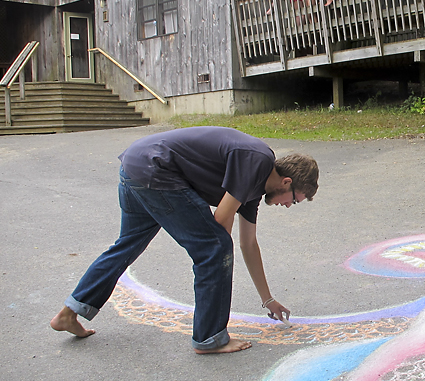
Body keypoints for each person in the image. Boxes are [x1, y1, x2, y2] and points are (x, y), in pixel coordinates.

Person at [51, 127, 319, 353]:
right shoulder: (257, 161)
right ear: (286, 182)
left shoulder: (253, 191)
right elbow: (220, 226)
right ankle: (209, 337)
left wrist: (267, 300)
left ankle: (69, 312)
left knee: (127, 244)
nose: (288, 206)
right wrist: (214, 259)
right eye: (294, 200)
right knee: (215, 247)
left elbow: (249, 245)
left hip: (136, 165)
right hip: (156, 170)